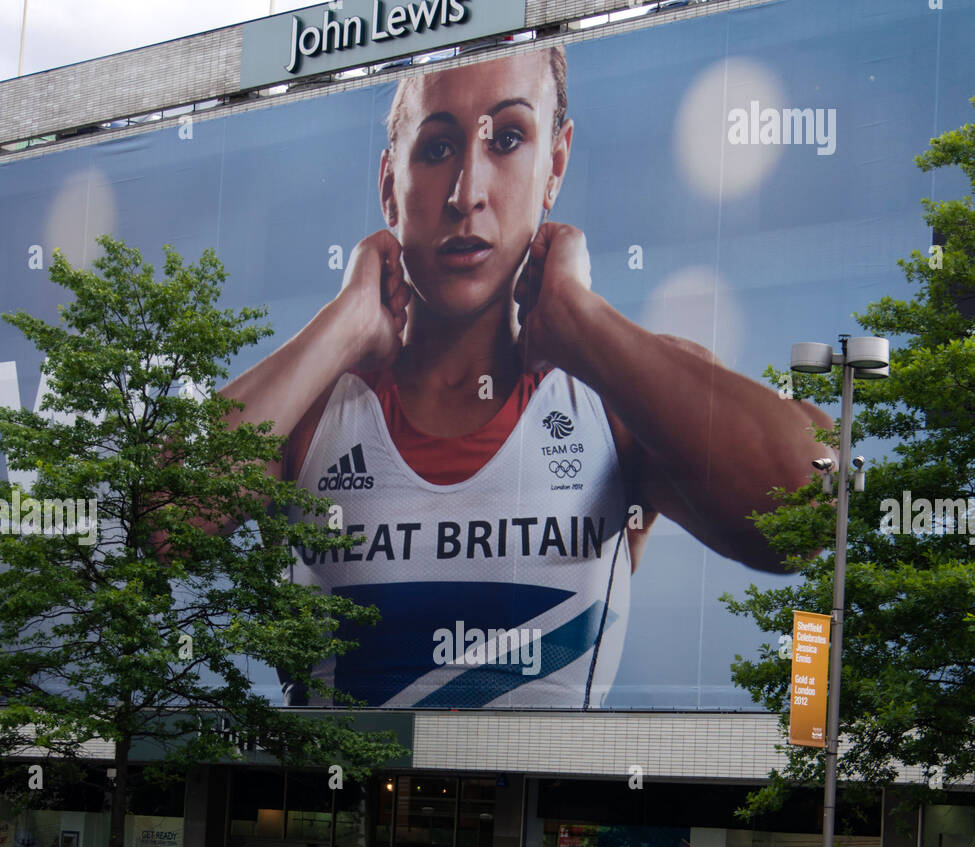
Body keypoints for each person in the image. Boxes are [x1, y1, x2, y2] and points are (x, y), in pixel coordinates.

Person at [223, 47, 831, 711]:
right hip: (335, 814)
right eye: (435, 149)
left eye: (507, 139)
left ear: (556, 165)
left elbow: (809, 512)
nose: (466, 195)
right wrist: (336, 332)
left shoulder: (617, 396)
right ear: (388, 188)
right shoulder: (310, 408)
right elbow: (147, 526)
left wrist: (582, 324)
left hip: (534, 811)